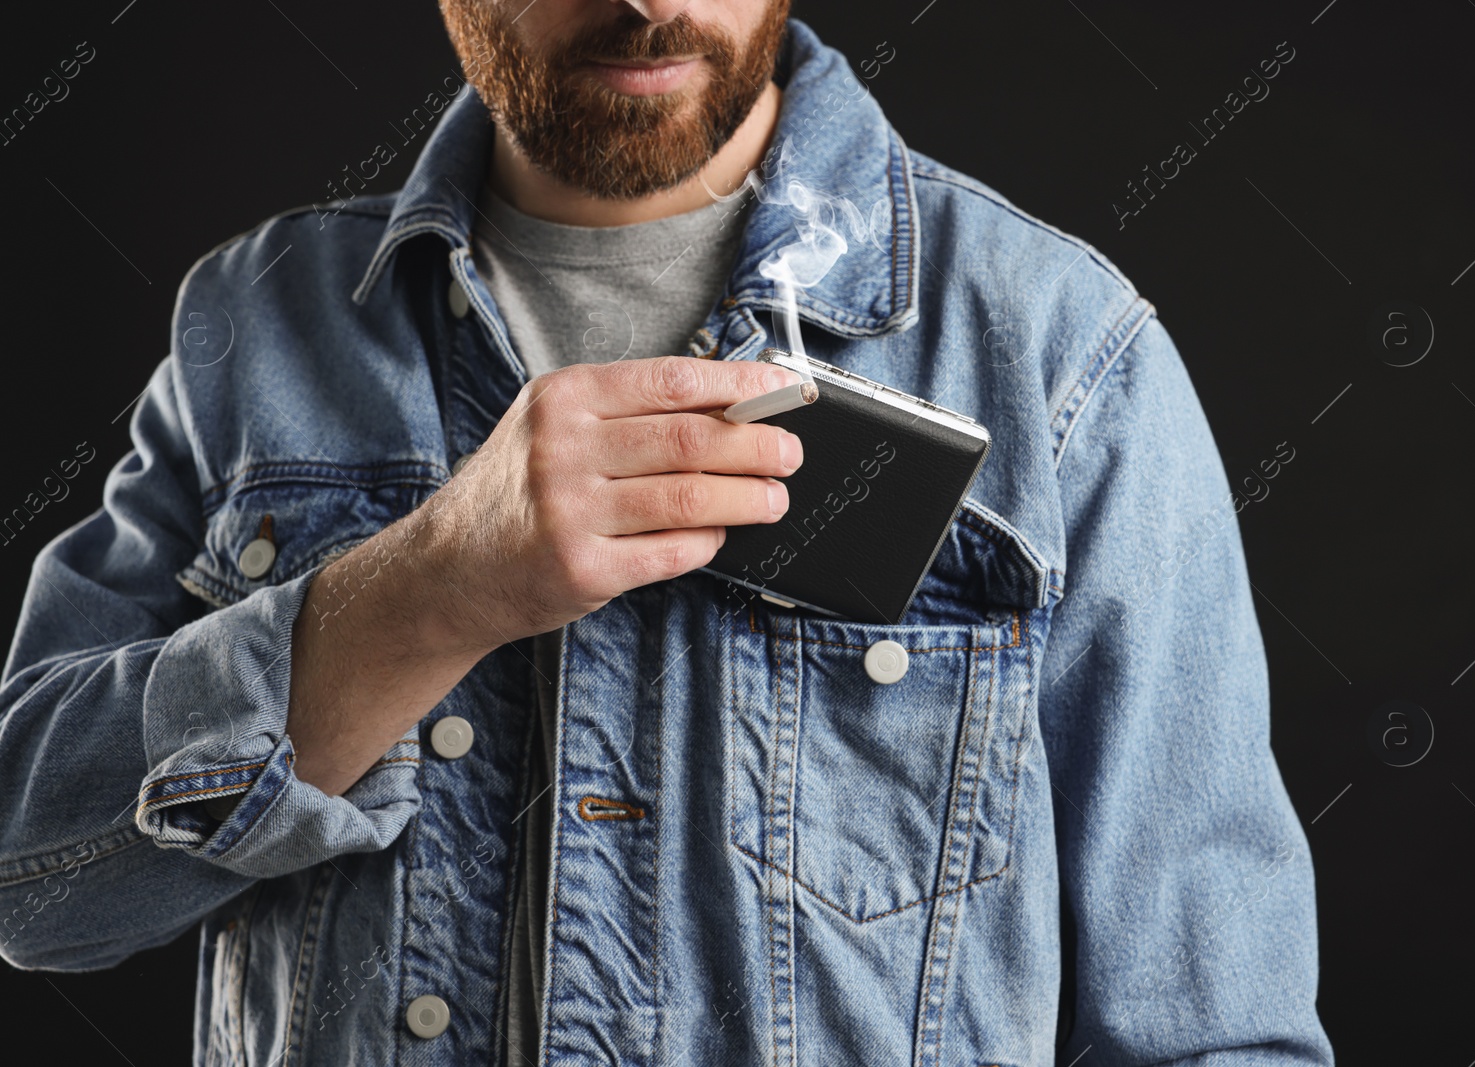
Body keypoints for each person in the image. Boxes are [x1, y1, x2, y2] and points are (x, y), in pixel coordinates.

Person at [0, 1, 1335, 1063]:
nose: (646, 2)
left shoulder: (1061, 354)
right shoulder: (252, 326)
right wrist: (428, 590)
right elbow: (30, 880)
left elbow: (1212, 1030)